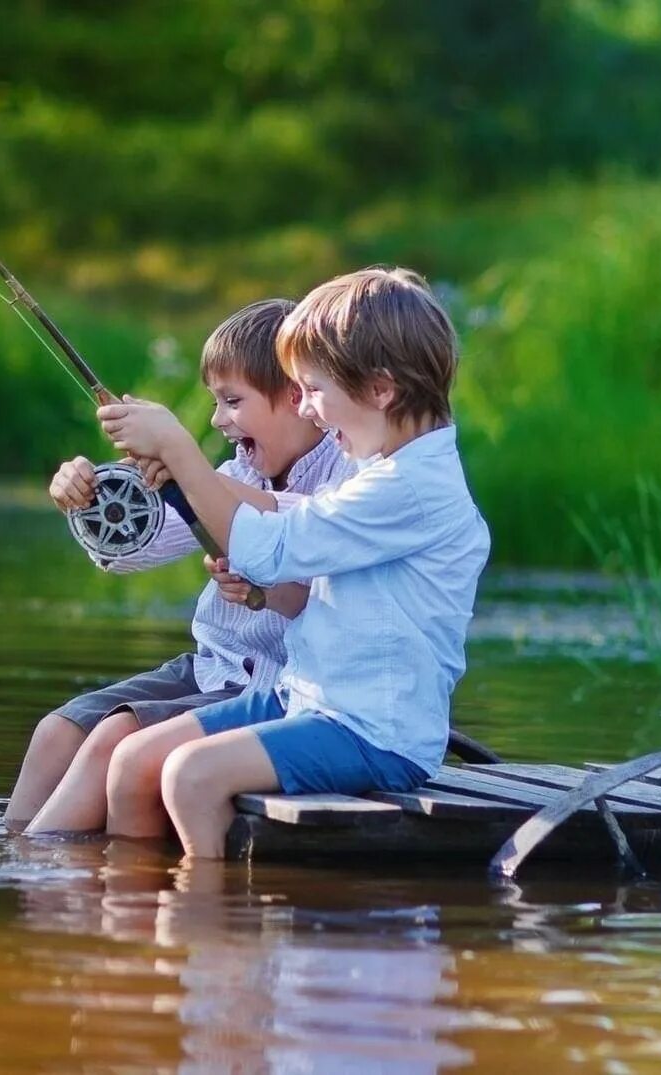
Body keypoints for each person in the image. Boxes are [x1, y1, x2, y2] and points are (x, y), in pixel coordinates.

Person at [95, 267, 491, 858]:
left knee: (191, 776)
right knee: (133, 758)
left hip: (370, 731)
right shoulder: (379, 468)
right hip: (302, 697)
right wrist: (189, 481)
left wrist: (180, 450)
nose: (305, 408)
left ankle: (206, 929)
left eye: (313, 389)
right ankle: (132, 916)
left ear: (380, 390)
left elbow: (269, 548)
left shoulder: (410, 487)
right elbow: (287, 541)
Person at [4, 298, 354, 834]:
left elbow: (301, 526)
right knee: (57, 731)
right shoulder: (239, 468)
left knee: (110, 740)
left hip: (278, 688)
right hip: (211, 668)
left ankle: (40, 878)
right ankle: (12, 856)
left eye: (232, 401)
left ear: (294, 396)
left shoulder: (345, 474)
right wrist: (91, 496)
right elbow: (135, 551)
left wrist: (186, 465)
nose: (218, 419)